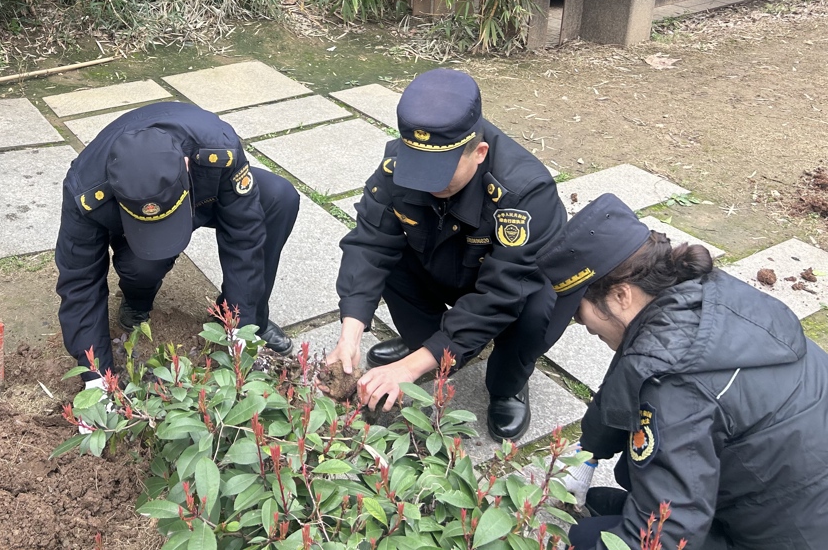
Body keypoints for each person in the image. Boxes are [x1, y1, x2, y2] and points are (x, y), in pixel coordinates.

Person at [538, 193, 828, 550]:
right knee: (623, 493)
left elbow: (668, 533)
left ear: (621, 296)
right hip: (794, 499)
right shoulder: (700, 295)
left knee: (585, 538)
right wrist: (588, 451)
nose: (581, 324)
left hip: (785, 538)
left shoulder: (675, 387)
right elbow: (632, 369)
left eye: (578, 311)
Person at [325, 68, 568, 440]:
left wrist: (406, 370)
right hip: (442, 261)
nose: (426, 182)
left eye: (439, 172)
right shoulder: (397, 165)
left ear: (479, 153)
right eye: (417, 167)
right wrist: (350, 333)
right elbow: (370, 243)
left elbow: (500, 296)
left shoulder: (524, 192)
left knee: (538, 308)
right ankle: (430, 348)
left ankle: (508, 384)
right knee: (391, 263)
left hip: (511, 284)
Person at [55, 102, 299, 382]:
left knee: (279, 197)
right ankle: (137, 301)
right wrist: (97, 379)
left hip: (205, 193)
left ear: (185, 164)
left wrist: (242, 328)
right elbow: (80, 282)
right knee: (142, 265)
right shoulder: (84, 192)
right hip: (130, 220)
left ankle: (243, 316)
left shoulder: (217, 149)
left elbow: (245, 235)